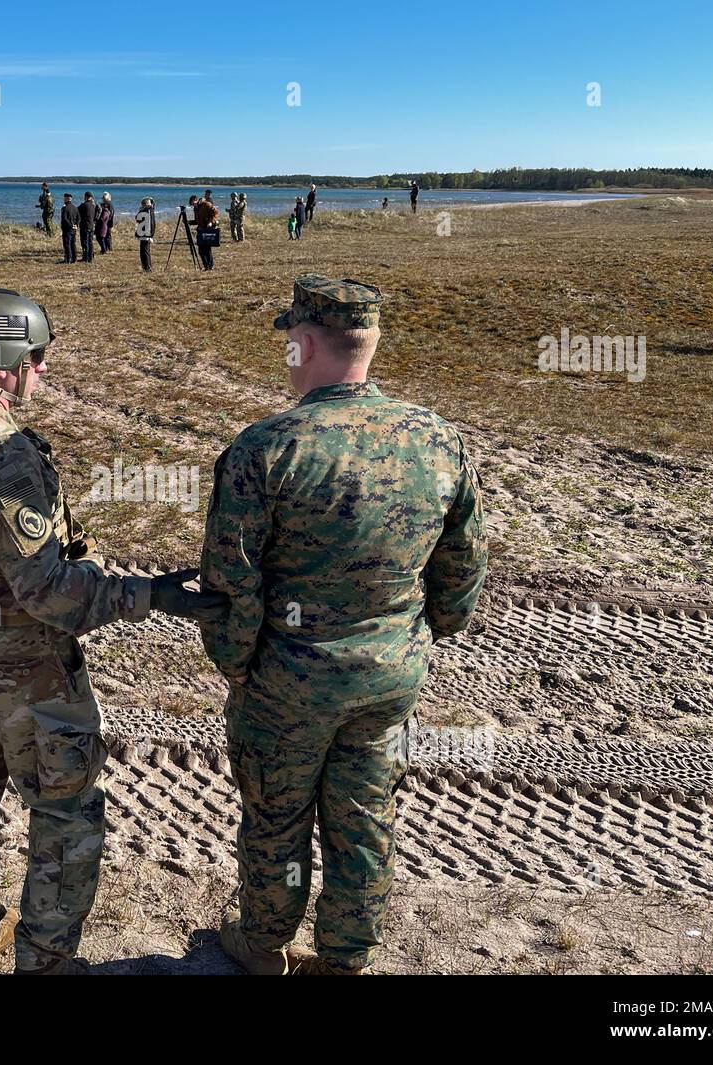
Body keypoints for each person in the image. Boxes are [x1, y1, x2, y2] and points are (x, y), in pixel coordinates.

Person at [0, 288, 227, 975]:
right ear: (4, 361)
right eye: (36, 358)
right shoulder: (5, 456)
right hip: (21, 661)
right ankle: (44, 960)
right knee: (65, 808)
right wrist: (146, 594)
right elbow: (48, 590)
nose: (42, 371)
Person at [199, 275, 487, 976]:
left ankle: (266, 947)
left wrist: (234, 660)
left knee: (276, 816)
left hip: (285, 682)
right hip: (388, 676)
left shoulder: (266, 448)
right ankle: (344, 960)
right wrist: (428, 632)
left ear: (303, 344)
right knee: (364, 820)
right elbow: (463, 563)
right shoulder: (437, 439)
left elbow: (229, 581)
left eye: (288, 344)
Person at [193, 190, 219, 270]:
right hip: (201, 230)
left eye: (194, 203)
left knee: (207, 249)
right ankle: (207, 266)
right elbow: (197, 220)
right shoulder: (196, 208)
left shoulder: (206, 203)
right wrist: (189, 222)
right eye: (192, 205)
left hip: (207, 229)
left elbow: (216, 212)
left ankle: (210, 266)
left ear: (196, 200)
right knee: (201, 250)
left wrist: (211, 222)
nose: (193, 205)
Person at [134, 196, 156, 272]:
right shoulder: (151, 210)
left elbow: (137, 218)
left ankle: (147, 268)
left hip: (145, 234)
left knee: (144, 252)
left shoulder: (144, 211)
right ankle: (147, 267)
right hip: (147, 233)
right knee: (146, 252)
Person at [59, 194, 78, 264]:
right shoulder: (75, 208)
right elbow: (79, 218)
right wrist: (76, 225)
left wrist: (71, 225)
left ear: (67, 199)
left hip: (67, 229)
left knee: (67, 244)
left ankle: (68, 259)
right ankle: (74, 258)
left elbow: (64, 218)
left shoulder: (65, 208)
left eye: (64, 198)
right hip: (74, 229)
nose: (63, 200)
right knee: (73, 244)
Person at [77, 192, 96, 262]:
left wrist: (81, 204)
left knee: (84, 242)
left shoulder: (84, 205)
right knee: (90, 242)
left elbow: (76, 210)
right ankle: (90, 257)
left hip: (85, 226)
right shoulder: (93, 205)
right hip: (91, 226)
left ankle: (85, 257)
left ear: (86, 197)